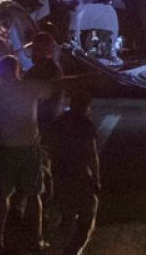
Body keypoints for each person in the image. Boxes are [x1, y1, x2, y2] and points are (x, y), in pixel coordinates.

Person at [0, 56, 49, 251]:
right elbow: (54, 87)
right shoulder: (29, 88)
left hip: (6, 147)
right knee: (34, 196)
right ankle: (36, 239)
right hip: (29, 149)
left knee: (2, 196)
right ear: (17, 70)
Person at [47, 90, 101, 255]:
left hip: (61, 174)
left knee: (67, 217)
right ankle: (73, 250)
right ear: (86, 107)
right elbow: (92, 154)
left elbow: (51, 148)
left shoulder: (59, 122)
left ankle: (59, 247)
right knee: (86, 219)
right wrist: (96, 178)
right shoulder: (85, 125)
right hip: (80, 175)